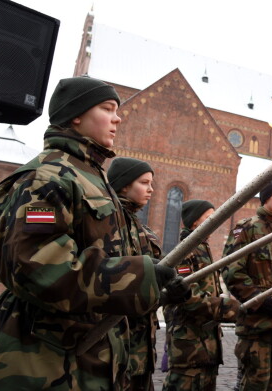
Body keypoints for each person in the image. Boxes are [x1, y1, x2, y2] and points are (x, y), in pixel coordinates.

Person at [0, 77, 182, 389]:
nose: (118, 118)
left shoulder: (89, 176)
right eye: (107, 108)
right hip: (47, 361)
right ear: (76, 114)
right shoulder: (48, 176)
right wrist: (138, 277)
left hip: (87, 358)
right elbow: (38, 267)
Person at [222, 180, 272, 391]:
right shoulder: (247, 228)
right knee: (254, 385)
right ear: (266, 198)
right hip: (256, 325)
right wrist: (258, 299)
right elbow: (232, 270)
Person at [163, 200, 240, 391]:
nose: (214, 221)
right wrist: (229, 308)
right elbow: (189, 297)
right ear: (195, 222)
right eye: (209, 217)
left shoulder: (201, 248)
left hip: (206, 344)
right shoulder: (185, 251)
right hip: (189, 345)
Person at [108, 156, 164, 390]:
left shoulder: (143, 230)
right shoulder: (108, 221)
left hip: (143, 347)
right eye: (144, 182)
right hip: (116, 345)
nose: (151, 189)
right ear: (124, 184)